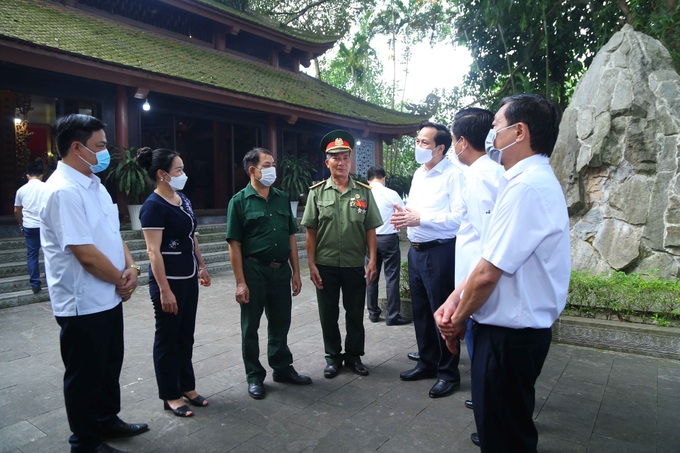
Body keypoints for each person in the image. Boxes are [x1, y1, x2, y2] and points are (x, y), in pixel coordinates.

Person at [435, 94, 570, 451]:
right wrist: (454, 300)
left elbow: (488, 273)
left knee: (505, 439)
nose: (492, 137)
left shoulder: (526, 186)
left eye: (496, 128)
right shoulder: (523, 181)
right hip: (510, 336)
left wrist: (457, 319)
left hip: (509, 339)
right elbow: (488, 255)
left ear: (519, 131)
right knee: (504, 428)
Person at [40, 114, 148, 453]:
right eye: (100, 146)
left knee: (108, 364)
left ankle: (106, 419)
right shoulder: (63, 191)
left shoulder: (94, 184)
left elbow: (112, 235)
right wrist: (121, 280)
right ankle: (85, 442)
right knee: (84, 374)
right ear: (77, 147)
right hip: (82, 301)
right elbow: (84, 253)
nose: (106, 153)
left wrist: (131, 267)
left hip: (109, 295)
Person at [226, 147, 312, 400]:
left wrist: (296, 272)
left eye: (273, 163)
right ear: (252, 170)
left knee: (280, 321)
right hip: (253, 270)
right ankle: (254, 375)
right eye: (267, 164)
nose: (272, 169)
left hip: (279, 271)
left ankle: (282, 367)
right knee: (250, 326)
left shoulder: (282, 198)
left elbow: (290, 237)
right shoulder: (239, 201)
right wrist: (240, 282)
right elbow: (234, 245)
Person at [390, 121, 464, 399]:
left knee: (442, 313)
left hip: (441, 251)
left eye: (424, 142)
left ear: (440, 148)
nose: (418, 146)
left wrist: (421, 218)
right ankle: (427, 361)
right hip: (416, 249)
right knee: (420, 311)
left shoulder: (455, 175)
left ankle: (448, 372)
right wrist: (405, 213)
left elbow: (458, 218)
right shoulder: (419, 173)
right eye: (418, 141)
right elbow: (416, 210)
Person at [138, 147, 212, 418]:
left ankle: (187, 386)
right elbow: (152, 251)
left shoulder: (183, 199)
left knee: (185, 335)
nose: (184, 174)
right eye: (178, 170)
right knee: (168, 338)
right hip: (167, 281)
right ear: (162, 175)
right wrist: (165, 291)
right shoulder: (153, 206)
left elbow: (192, 236)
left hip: (189, 276)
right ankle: (170, 394)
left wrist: (202, 266)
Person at [302, 130, 382, 379]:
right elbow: (310, 233)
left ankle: (354, 355)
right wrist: (311, 265)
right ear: (327, 162)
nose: (341, 162)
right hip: (325, 264)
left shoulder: (363, 192)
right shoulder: (316, 192)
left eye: (346, 157)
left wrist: (372, 261)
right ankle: (333, 357)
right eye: (335, 158)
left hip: (353, 264)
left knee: (355, 312)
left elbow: (370, 229)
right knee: (328, 313)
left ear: (351, 160)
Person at [448, 107, 504, 412]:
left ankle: (490, 413)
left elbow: (488, 244)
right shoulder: (489, 173)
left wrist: (463, 297)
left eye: (455, 140)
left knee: (485, 358)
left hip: (479, 288)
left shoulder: (480, 177)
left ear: (462, 142)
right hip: (475, 284)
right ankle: (488, 401)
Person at [364, 165, 410, 326]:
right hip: (389, 239)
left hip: (369, 239)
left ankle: (373, 313)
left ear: (368, 179)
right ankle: (392, 315)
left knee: (371, 276)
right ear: (383, 178)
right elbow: (404, 214)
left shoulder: (363, 194)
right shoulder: (391, 194)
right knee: (391, 277)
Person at [14, 158, 45, 294]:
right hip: (45, 226)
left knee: (32, 255)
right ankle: (52, 281)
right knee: (49, 254)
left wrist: (21, 224)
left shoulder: (21, 190)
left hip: (29, 225)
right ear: (42, 174)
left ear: (27, 175)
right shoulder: (47, 187)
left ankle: (35, 283)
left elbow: (16, 210)